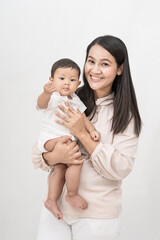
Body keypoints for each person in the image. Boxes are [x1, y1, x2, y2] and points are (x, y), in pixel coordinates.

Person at [32, 35, 142, 240]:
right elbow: (38, 151)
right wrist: (53, 157)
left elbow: (120, 167)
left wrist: (82, 133)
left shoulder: (126, 115)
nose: (95, 70)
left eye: (105, 64)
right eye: (91, 61)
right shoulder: (70, 98)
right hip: (56, 210)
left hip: (97, 216)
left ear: (120, 69)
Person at [36, 58, 100, 220]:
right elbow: (41, 104)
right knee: (76, 159)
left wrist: (92, 130)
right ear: (52, 80)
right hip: (50, 138)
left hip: (64, 139)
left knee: (60, 168)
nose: (66, 83)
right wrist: (46, 93)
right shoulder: (53, 97)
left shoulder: (76, 100)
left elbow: (83, 118)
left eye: (71, 80)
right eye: (61, 78)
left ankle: (51, 200)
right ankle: (72, 194)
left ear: (78, 83)